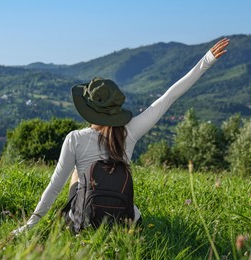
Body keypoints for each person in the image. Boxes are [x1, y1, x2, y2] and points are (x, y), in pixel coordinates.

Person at [12, 38, 230, 235]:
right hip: (127, 221)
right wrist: (207, 60)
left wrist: (29, 225)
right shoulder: (130, 131)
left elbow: (54, 186)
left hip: (85, 222)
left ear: (88, 109)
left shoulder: (75, 138)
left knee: (77, 175)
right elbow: (168, 97)